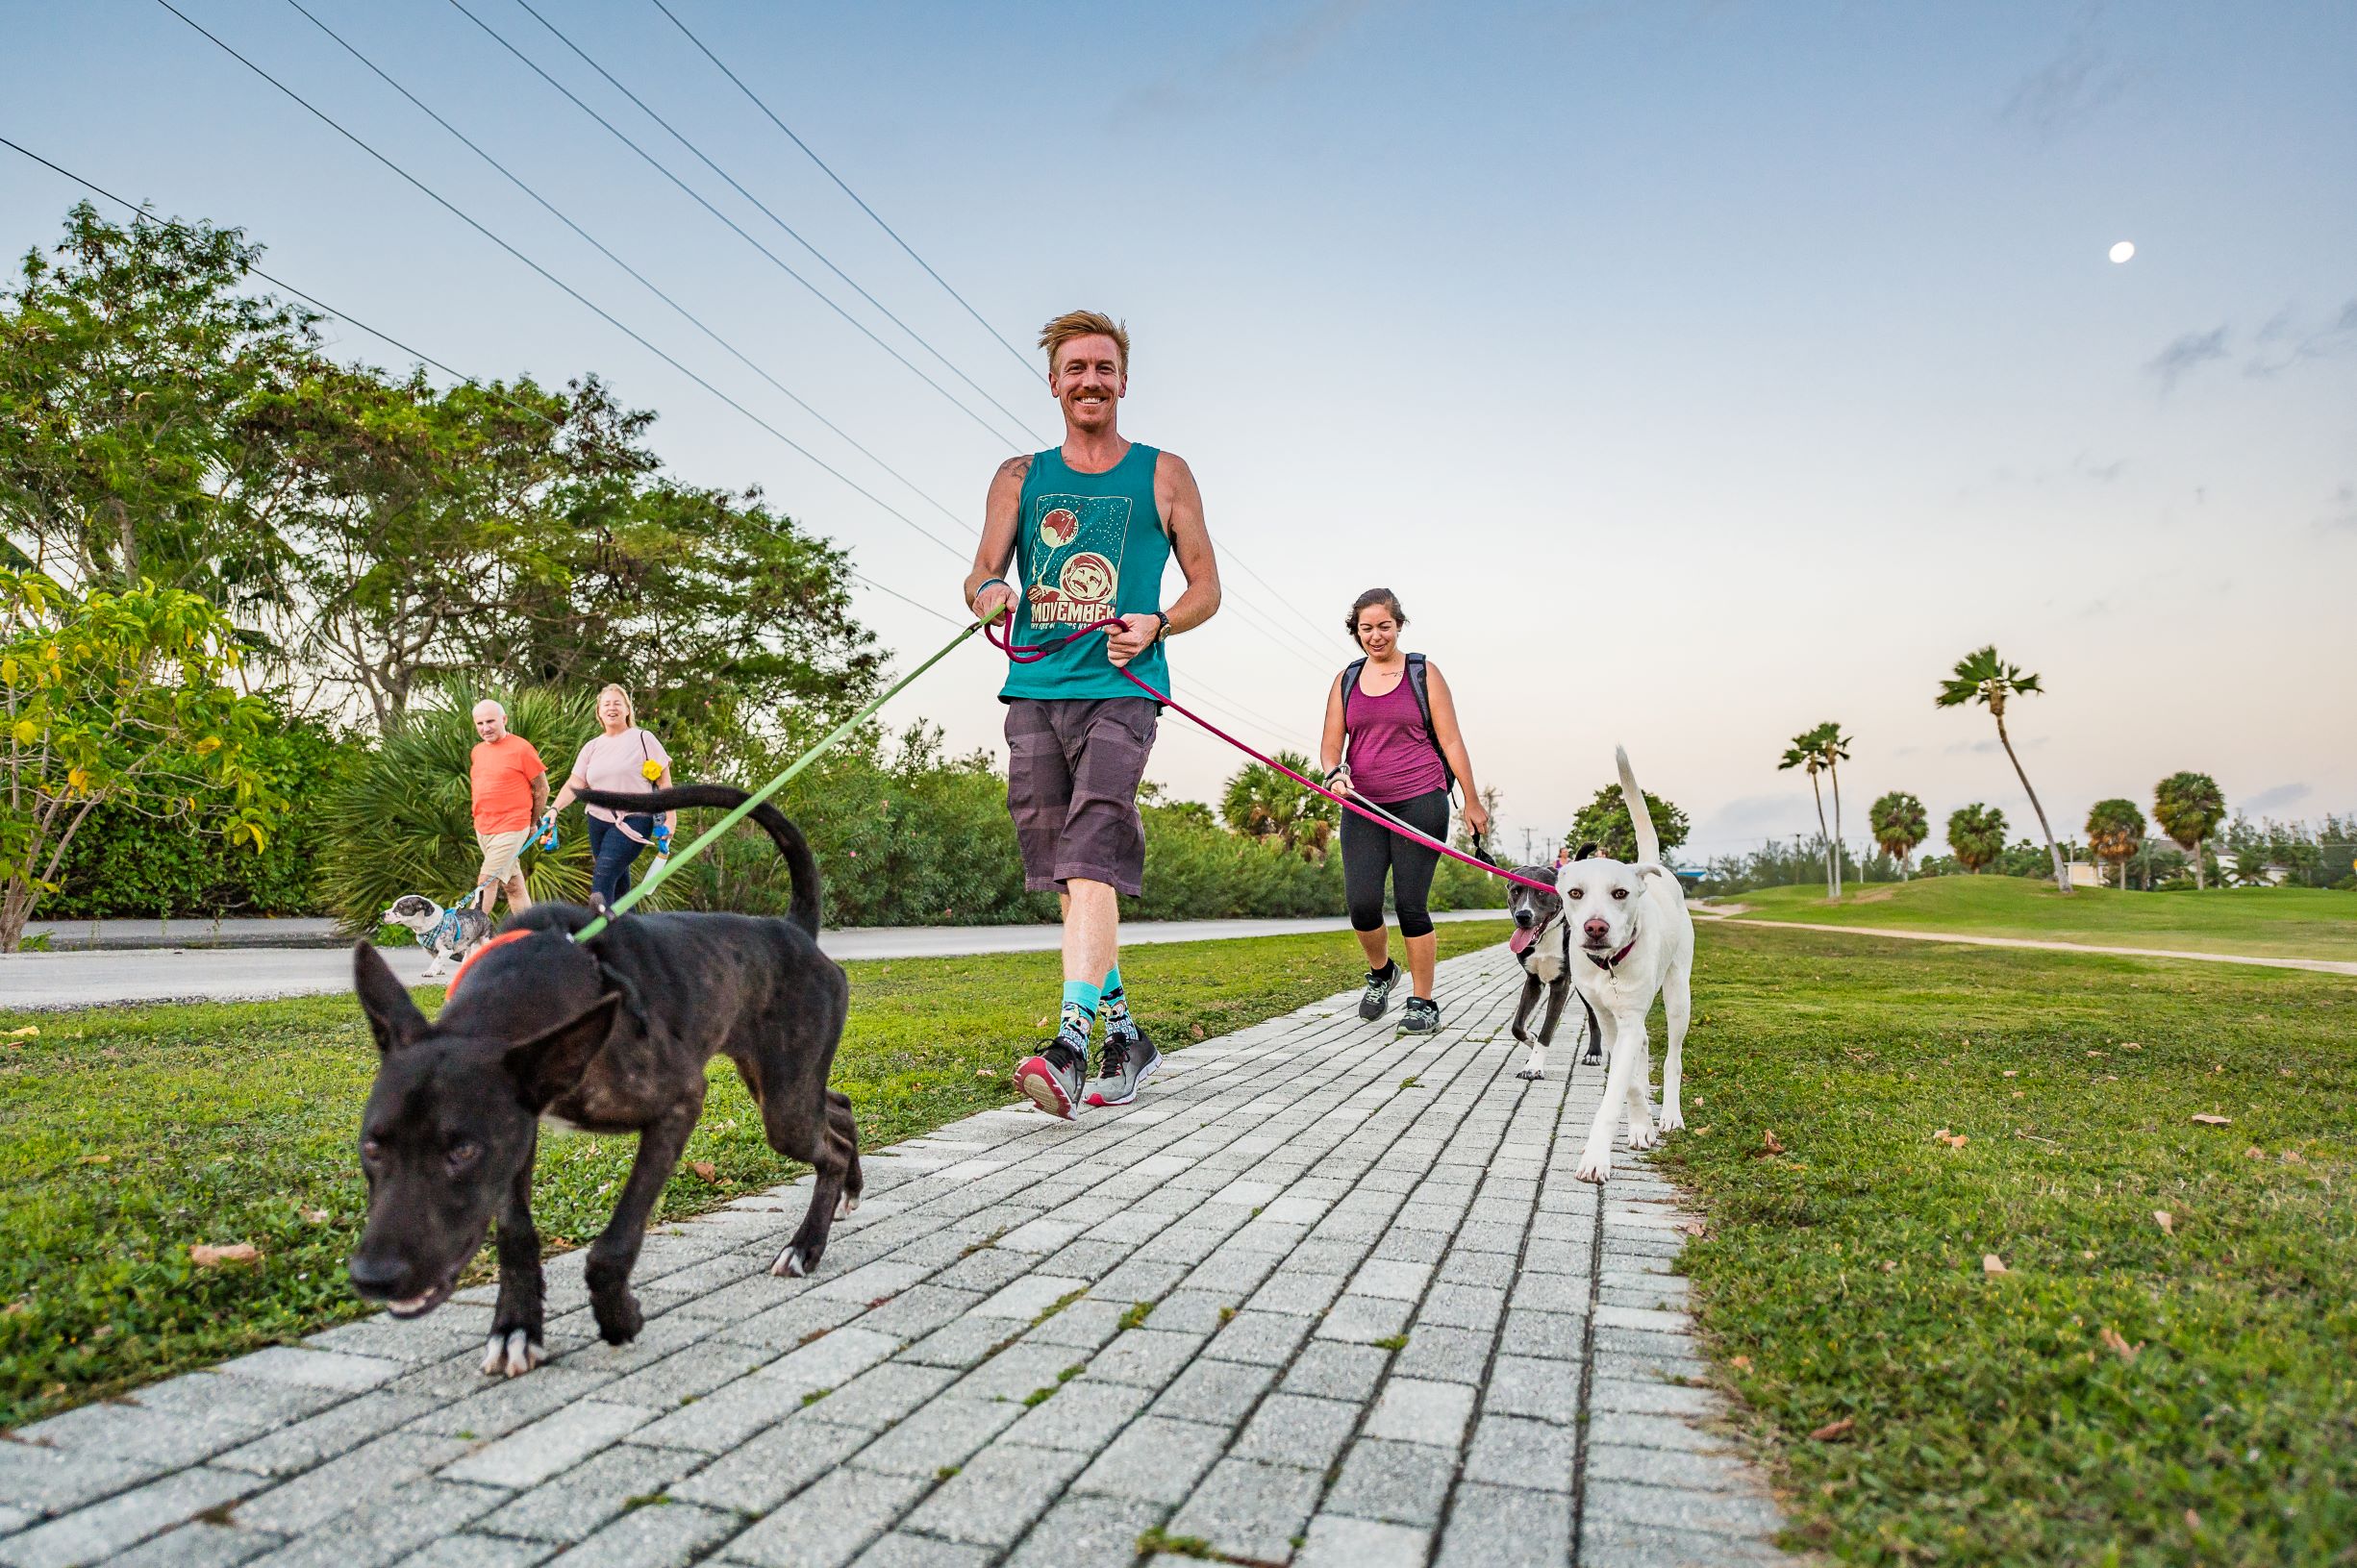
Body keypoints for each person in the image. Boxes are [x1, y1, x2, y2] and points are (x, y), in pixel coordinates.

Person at [963, 310, 1220, 1118]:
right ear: (1053, 381)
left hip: (1124, 686)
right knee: (1067, 877)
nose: (1089, 381)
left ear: (1122, 379)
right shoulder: (1017, 476)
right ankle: (1128, 1034)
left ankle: (1071, 1043)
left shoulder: (1164, 473)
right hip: (1036, 690)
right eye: (1074, 368)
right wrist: (990, 595)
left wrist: (1159, 621)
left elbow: (1207, 588)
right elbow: (977, 576)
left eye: (1103, 368)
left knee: (1091, 848)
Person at [1318, 589, 1490, 1032]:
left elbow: (1451, 740)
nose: (1375, 636)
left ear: (1399, 625)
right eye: (1366, 628)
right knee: (1362, 906)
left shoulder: (1423, 673)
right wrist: (1336, 773)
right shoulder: (1346, 680)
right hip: (1363, 803)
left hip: (1420, 797)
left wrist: (1471, 799)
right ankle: (1381, 973)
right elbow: (1331, 743)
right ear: (1355, 631)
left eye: (1384, 626)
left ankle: (1424, 1001)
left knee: (1411, 904)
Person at [546, 684, 678, 908]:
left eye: (617, 703)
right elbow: (576, 784)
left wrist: (671, 817)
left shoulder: (644, 739)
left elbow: (665, 783)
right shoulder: (592, 747)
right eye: (606, 704)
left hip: (635, 818)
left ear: (628, 709)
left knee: (604, 875)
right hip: (597, 820)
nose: (611, 708)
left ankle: (600, 935)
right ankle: (633, 936)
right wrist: (554, 809)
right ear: (599, 712)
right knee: (619, 888)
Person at [469, 699, 547, 915]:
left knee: (486, 879)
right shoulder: (477, 751)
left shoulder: (521, 748)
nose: (485, 728)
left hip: (512, 825)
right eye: (480, 723)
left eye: (490, 721)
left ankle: (466, 938)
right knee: (512, 884)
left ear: (503, 719)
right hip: (484, 827)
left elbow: (542, 789)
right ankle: (530, 935)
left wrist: (532, 823)